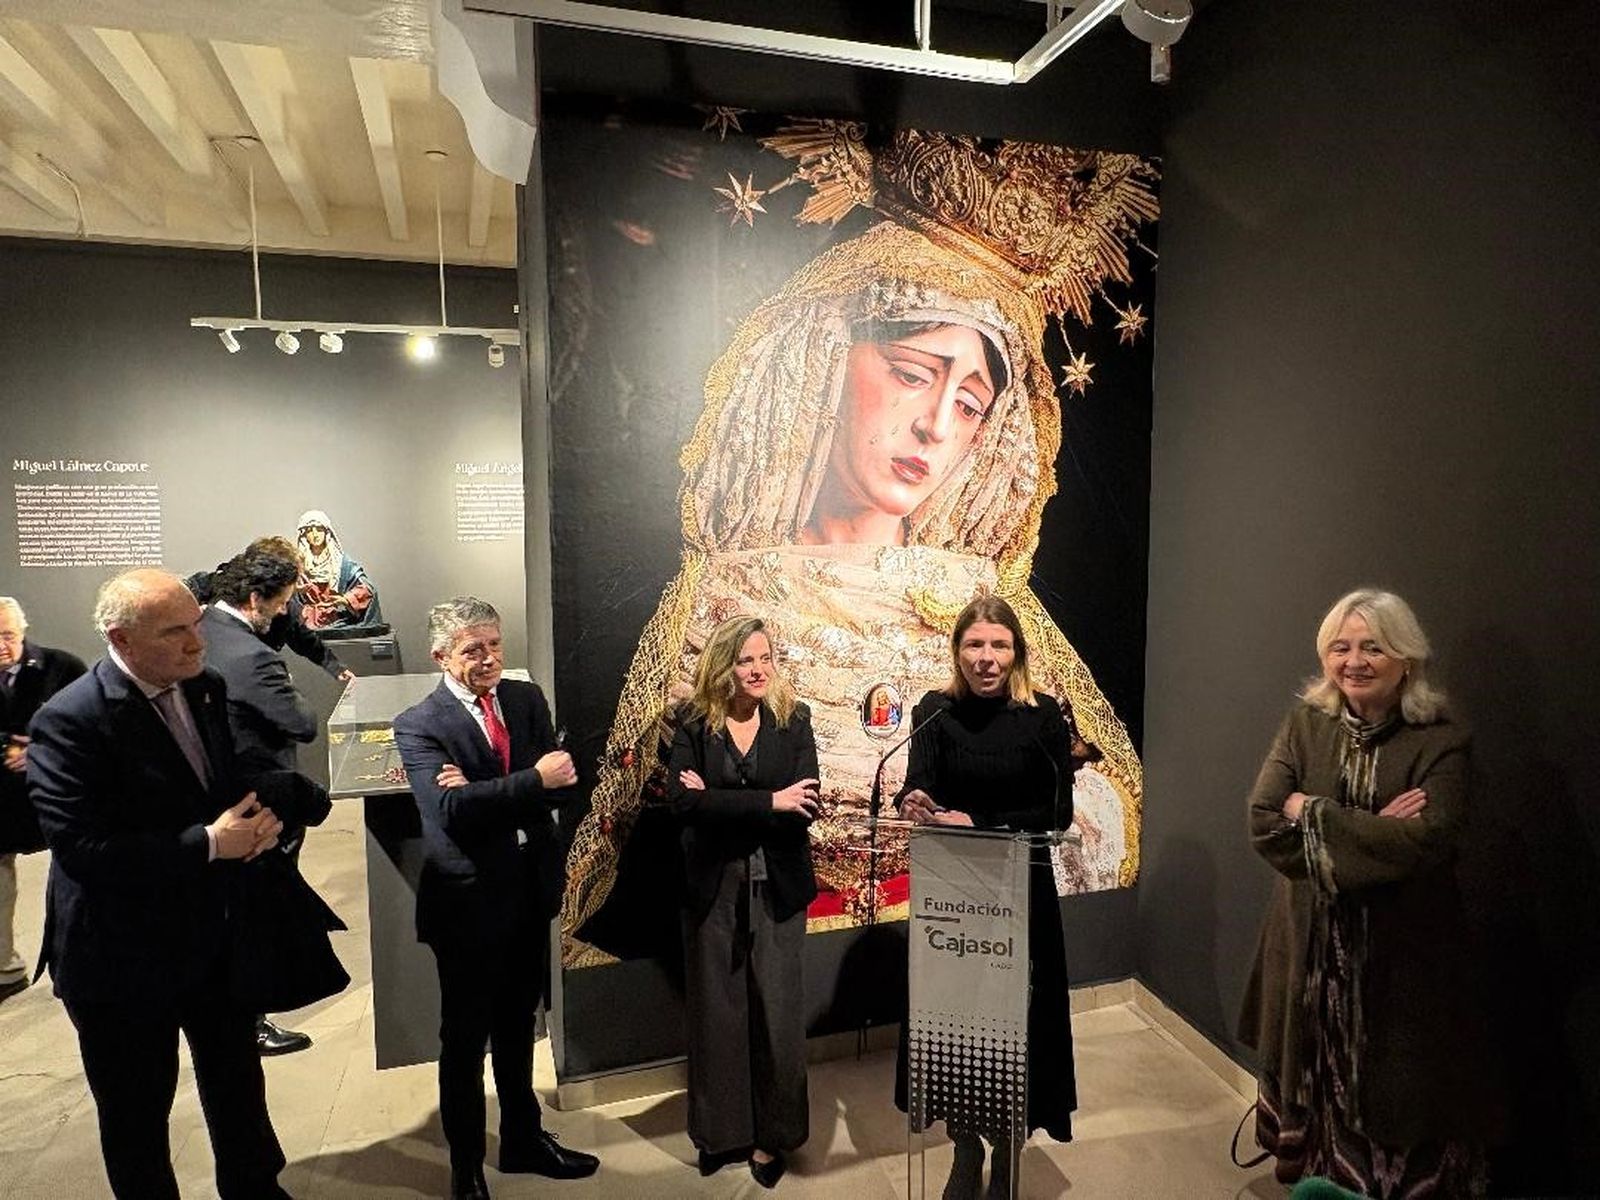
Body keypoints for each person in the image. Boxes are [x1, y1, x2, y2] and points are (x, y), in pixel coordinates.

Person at [567, 135, 1155, 962]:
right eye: (913, 373)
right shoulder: (729, 591)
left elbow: (1081, 789)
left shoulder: (980, 600)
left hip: (963, 931)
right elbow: (674, 797)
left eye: (970, 404)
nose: (935, 425)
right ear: (825, 360)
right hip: (771, 934)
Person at [26, 569, 291, 1199]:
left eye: (196, 624)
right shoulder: (69, 719)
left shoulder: (203, 686)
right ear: (121, 638)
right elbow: (82, 851)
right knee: (137, 1112)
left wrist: (259, 819)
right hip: (118, 953)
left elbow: (216, 782)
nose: (197, 642)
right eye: (175, 632)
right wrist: (211, 843)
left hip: (209, 933)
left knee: (236, 1082)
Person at [1238, 589, 1497, 1196]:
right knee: (1311, 1077)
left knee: (1396, 1093)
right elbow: (1263, 821)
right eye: (1341, 647)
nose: (1353, 661)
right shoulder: (1306, 723)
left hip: (1401, 962)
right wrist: (1376, 829)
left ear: (1406, 658)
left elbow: (1429, 843)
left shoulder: (1440, 740)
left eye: (1372, 647)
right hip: (1308, 952)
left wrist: (1313, 812)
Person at [393, 597, 598, 1199]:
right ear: (441, 655)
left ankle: (523, 1139)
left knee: (517, 1027)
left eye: (494, 645)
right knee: (463, 1040)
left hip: (528, 891)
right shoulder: (420, 723)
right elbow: (448, 811)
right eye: (472, 649)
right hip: (467, 905)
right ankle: (466, 1167)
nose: (488, 658)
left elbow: (566, 785)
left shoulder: (525, 700)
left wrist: (490, 790)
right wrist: (531, 782)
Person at [895, 595, 1077, 1199]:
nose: (987, 657)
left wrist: (981, 823)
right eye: (974, 644)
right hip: (953, 901)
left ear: (1016, 652)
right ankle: (965, 1146)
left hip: (1022, 897)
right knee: (958, 1026)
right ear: (957, 651)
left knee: (1014, 1024)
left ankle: (1007, 1149)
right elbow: (917, 784)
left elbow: (1056, 812)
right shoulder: (933, 712)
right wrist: (913, 801)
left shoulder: (1043, 716)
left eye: (999, 644)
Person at [666, 615, 820, 1188]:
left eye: (765, 657)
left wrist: (720, 800)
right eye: (744, 659)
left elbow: (805, 805)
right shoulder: (691, 722)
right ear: (723, 665)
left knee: (777, 1015)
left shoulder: (794, 719)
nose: (757, 670)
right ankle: (720, 1134)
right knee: (717, 1012)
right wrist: (768, 802)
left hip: (778, 886)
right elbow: (683, 804)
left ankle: (771, 1138)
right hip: (713, 888)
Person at [202, 545, 332, 1056]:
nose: (283, 614)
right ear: (256, 598)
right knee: (257, 915)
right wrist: (290, 684)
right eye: (280, 604)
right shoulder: (251, 656)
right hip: (260, 799)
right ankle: (251, 1021)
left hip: (222, 795)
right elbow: (302, 722)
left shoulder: (204, 626)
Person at [0, 595, 87, 1003]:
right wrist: (5, 745)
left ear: (23, 630)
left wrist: (39, 750)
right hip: (3, 799)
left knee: (75, 879)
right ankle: (5, 967)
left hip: (58, 793)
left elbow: (89, 725)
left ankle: (75, 962)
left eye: (7, 635)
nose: (1, 646)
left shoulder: (63, 667)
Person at [185, 535, 355, 684]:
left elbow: (304, 638)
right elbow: (185, 593)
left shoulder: (285, 608)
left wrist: (335, 666)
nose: (282, 608)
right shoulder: (217, 583)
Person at [294, 510, 382, 631]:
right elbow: (283, 594)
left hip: (335, 619)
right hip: (306, 619)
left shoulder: (341, 563)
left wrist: (346, 599)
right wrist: (295, 590)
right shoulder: (298, 565)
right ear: (304, 535)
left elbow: (368, 589)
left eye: (319, 529)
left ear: (326, 532)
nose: (315, 534)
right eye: (310, 530)